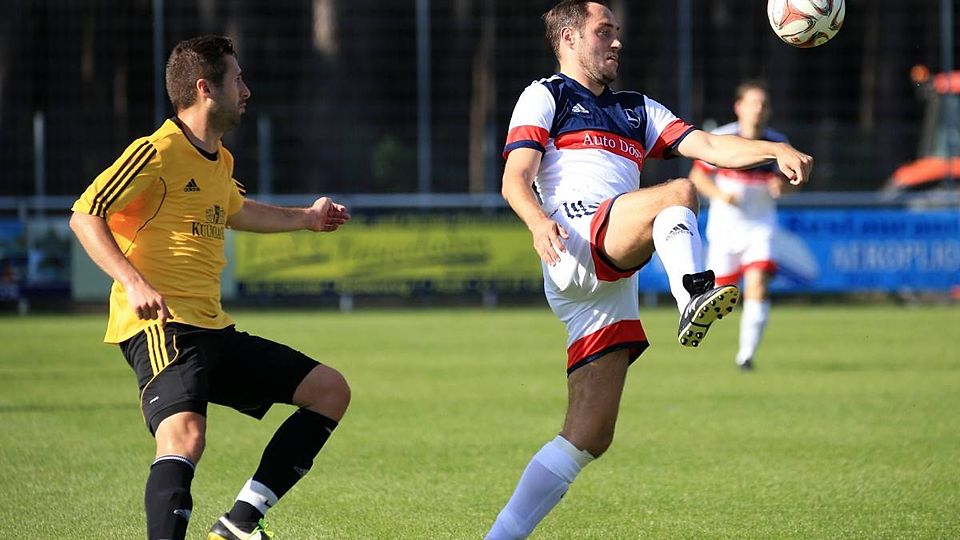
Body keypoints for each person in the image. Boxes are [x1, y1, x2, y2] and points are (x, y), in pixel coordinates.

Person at [484, 2, 812, 538]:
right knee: (679, 191)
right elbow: (514, 178)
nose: (616, 41)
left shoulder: (637, 109)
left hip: (607, 278)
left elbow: (708, 144)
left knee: (588, 437)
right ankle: (693, 294)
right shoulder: (546, 95)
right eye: (603, 32)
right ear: (568, 38)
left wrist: (772, 149)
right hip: (575, 240)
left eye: (617, 32)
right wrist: (538, 222)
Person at [69, 35, 351, 540]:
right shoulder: (154, 152)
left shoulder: (220, 160)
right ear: (205, 88)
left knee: (329, 391)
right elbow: (85, 215)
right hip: (162, 326)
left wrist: (308, 218)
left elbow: (238, 210)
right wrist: (133, 282)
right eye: (237, 79)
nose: (246, 90)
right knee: (185, 436)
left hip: (213, 330)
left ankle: (239, 524)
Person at [689, 81, 796, 371]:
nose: (758, 109)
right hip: (725, 230)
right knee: (719, 296)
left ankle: (746, 356)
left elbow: (792, 183)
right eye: (752, 103)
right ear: (739, 107)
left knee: (757, 285)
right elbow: (697, 177)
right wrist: (720, 195)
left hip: (760, 228)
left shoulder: (777, 144)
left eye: (763, 104)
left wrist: (783, 187)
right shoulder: (722, 139)